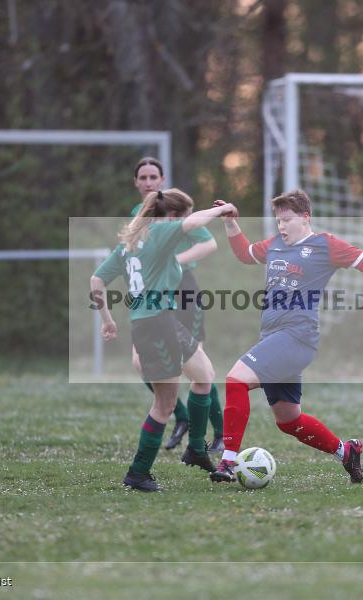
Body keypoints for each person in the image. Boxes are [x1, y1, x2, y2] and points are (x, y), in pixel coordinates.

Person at [207, 189, 363, 484]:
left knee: (235, 380)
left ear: (305, 217)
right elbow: (244, 254)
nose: (281, 226)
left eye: (287, 220)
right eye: (278, 221)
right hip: (273, 338)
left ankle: (227, 462)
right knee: (289, 420)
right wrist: (230, 222)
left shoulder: (323, 245)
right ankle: (346, 451)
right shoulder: (275, 245)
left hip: (297, 336)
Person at [91, 189, 238, 491]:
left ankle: (196, 449)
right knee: (164, 405)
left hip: (163, 321)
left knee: (204, 375)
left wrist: (107, 320)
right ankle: (138, 473)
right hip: (155, 325)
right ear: (172, 216)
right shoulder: (160, 231)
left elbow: (96, 280)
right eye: (181, 216)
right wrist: (223, 211)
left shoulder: (132, 242)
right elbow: (193, 224)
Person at [129, 158, 226, 453]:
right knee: (140, 361)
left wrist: (171, 262)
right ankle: (180, 416)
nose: (148, 182)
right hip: (153, 296)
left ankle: (221, 434)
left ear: (162, 179)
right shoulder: (138, 214)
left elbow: (208, 244)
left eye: (153, 176)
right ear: (136, 182)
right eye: (142, 177)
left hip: (182, 289)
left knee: (200, 366)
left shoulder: (175, 211)